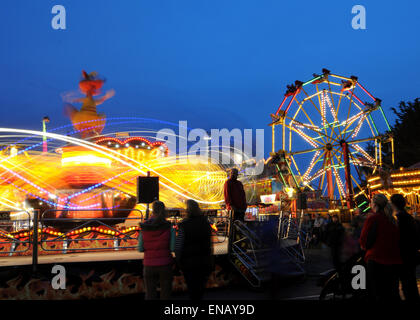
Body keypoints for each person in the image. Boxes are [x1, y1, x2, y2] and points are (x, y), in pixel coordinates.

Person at [359, 194, 402, 301]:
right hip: (394, 262)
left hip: (377, 261)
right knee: (393, 294)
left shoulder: (373, 219)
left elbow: (364, 242)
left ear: (374, 205)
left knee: (378, 294)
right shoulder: (393, 220)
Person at [175, 200, 214, 300]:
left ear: (188, 210)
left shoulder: (184, 225)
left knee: (192, 288)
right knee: (200, 288)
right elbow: (210, 243)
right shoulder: (206, 223)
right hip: (204, 260)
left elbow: (179, 245)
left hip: (189, 262)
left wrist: (178, 260)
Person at [138, 201, 175, 300]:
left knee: (150, 294)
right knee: (166, 293)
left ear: (152, 211)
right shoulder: (169, 226)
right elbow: (172, 248)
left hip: (149, 265)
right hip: (165, 264)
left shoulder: (144, 227)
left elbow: (140, 248)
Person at [390, 194, 420, 301]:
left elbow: (400, 239)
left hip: (405, 256)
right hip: (411, 254)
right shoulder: (409, 218)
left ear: (393, 205)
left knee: (407, 284)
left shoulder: (401, 220)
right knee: (410, 283)